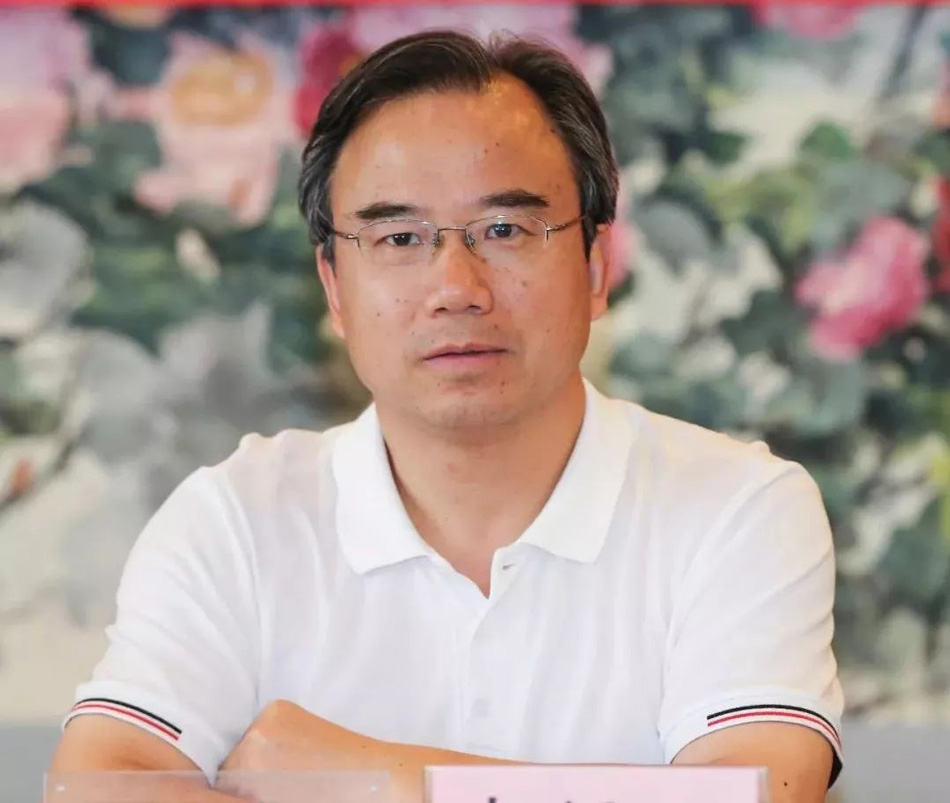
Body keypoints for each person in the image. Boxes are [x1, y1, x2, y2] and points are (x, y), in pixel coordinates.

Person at [51, 30, 843, 803]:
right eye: (400, 236)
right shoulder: (236, 520)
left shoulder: (736, 508)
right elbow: (98, 788)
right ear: (334, 287)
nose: (456, 287)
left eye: (505, 230)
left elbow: (760, 794)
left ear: (596, 266)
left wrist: (375, 779)